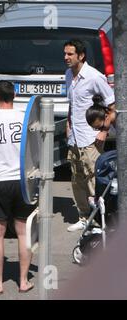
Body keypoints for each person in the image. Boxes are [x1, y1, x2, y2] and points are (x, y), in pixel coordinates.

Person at [0, 80, 36, 295]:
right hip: (22, 180)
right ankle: (23, 281)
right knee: (23, 232)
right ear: (14, 96)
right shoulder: (24, 117)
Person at [63, 39, 115, 232]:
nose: (66, 58)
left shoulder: (94, 77)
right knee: (77, 179)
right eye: (65, 54)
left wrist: (104, 131)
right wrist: (68, 126)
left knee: (93, 180)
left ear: (81, 56)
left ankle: (100, 222)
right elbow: (72, 104)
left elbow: (112, 106)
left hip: (90, 138)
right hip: (74, 138)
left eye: (70, 54)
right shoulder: (68, 75)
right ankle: (84, 217)